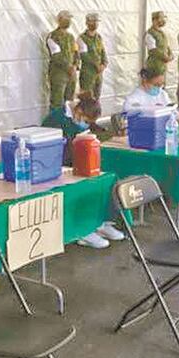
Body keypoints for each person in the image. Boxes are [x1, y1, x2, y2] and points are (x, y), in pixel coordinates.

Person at [43, 93, 126, 249]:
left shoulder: (81, 118)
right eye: (85, 121)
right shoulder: (55, 119)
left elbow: (95, 132)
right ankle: (82, 230)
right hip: (60, 166)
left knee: (104, 180)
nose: (85, 125)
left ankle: (101, 222)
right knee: (81, 186)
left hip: (79, 162)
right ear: (78, 112)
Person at [45, 10, 78, 110]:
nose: (68, 21)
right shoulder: (53, 36)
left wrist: (76, 65)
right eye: (65, 19)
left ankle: (67, 124)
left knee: (69, 102)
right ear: (59, 20)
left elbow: (76, 52)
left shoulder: (71, 37)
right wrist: (69, 67)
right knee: (57, 103)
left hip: (71, 75)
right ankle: (54, 124)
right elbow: (56, 55)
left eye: (69, 19)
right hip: (58, 74)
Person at [78, 13, 108, 100]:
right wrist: (96, 65)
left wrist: (104, 64)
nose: (95, 24)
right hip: (87, 74)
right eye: (93, 21)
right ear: (87, 23)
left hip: (98, 74)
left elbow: (103, 52)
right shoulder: (81, 38)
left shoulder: (98, 37)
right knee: (86, 99)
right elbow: (84, 55)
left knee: (96, 99)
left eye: (96, 22)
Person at [143, 10, 172, 81]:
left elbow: (166, 45)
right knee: (153, 87)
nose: (163, 20)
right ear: (154, 20)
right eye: (161, 18)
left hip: (162, 66)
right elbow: (153, 49)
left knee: (161, 87)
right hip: (154, 66)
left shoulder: (161, 33)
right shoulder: (150, 34)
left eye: (163, 18)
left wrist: (170, 54)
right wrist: (165, 57)